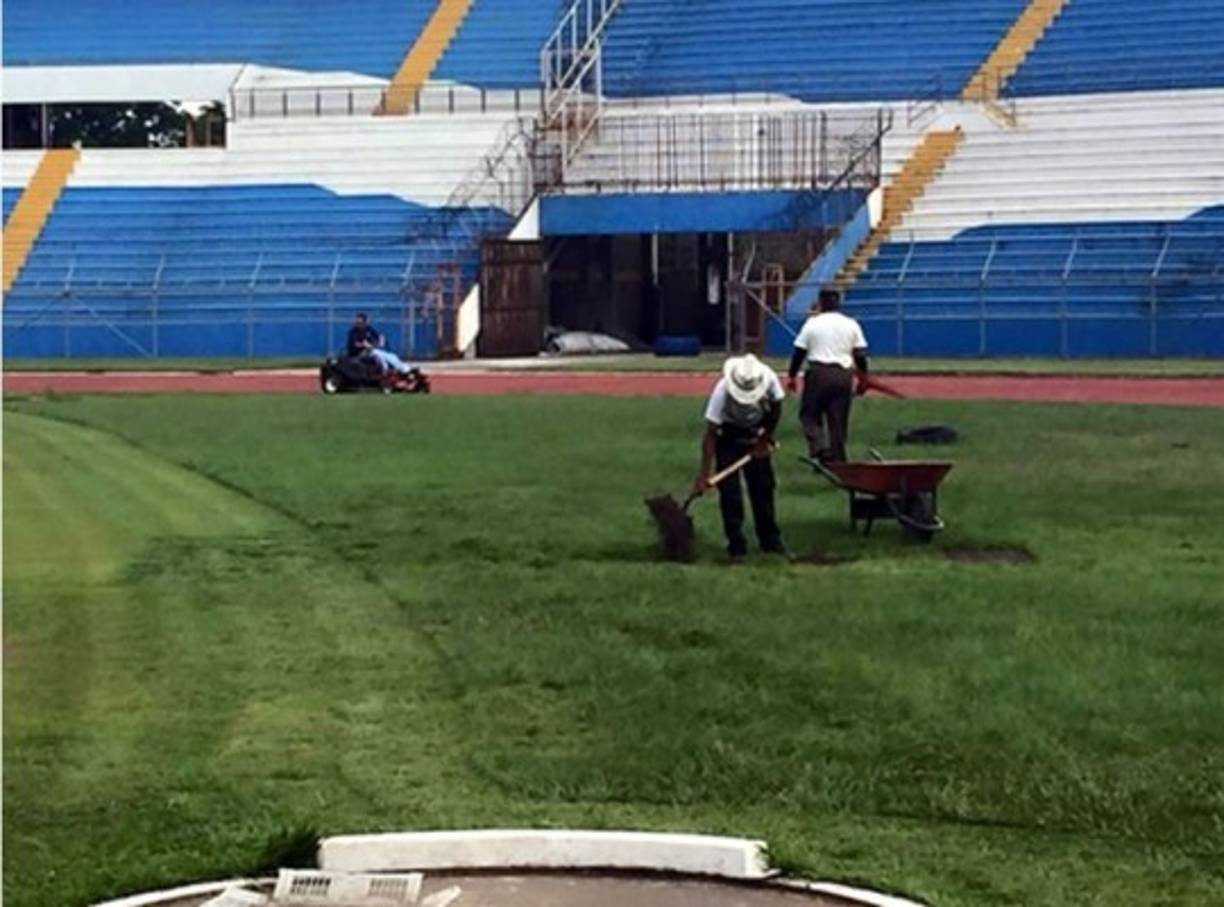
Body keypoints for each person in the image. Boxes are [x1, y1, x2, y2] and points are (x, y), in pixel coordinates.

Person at [694, 353, 788, 561]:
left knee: (763, 486)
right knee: (730, 492)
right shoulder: (722, 391)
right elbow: (710, 434)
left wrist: (764, 440)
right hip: (728, 436)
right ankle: (736, 544)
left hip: (756, 434)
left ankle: (770, 540)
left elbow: (776, 409)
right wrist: (704, 474)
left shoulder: (770, 380)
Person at [787, 288, 868, 462]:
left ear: (820, 303)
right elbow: (860, 355)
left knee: (809, 415)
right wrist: (863, 378)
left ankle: (820, 447)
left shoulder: (812, 324)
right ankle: (838, 460)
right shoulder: (851, 324)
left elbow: (799, 352)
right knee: (838, 419)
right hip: (843, 375)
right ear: (838, 302)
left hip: (818, 372)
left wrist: (792, 376)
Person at [345, 312, 417, 378]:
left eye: (361, 322)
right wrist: (364, 345)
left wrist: (380, 340)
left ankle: (405, 369)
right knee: (378, 355)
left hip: (371, 351)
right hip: (358, 354)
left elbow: (378, 337)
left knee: (391, 355)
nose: (359, 324)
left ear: (365, 322)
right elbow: (355, 344)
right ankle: (388, 372)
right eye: (358, 322)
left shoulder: (368, 329)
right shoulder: (353, 332)